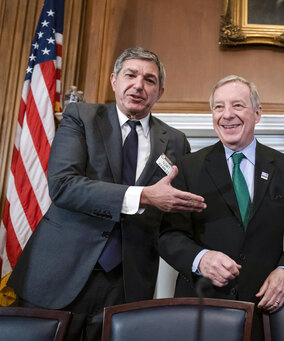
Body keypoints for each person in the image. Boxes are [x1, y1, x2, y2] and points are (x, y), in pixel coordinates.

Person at [8, 47, 206, 340]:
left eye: (149, 80)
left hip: (127, 283)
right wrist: (143, 196)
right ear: (114, 80)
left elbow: (171, 217)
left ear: (160, 92)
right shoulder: (81, 117)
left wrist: (201, 257)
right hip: (60, 273)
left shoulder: (176, 141)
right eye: (131, 75)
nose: (139, 85)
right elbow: (64, 185)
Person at [159, 75, 284, 340]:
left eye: (237, 105)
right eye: (218, 107)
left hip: (264, 306)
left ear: (257, 113)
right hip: (202, 305)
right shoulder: (188, 167)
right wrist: (201, 259)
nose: (227, 115)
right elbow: (168, 236)